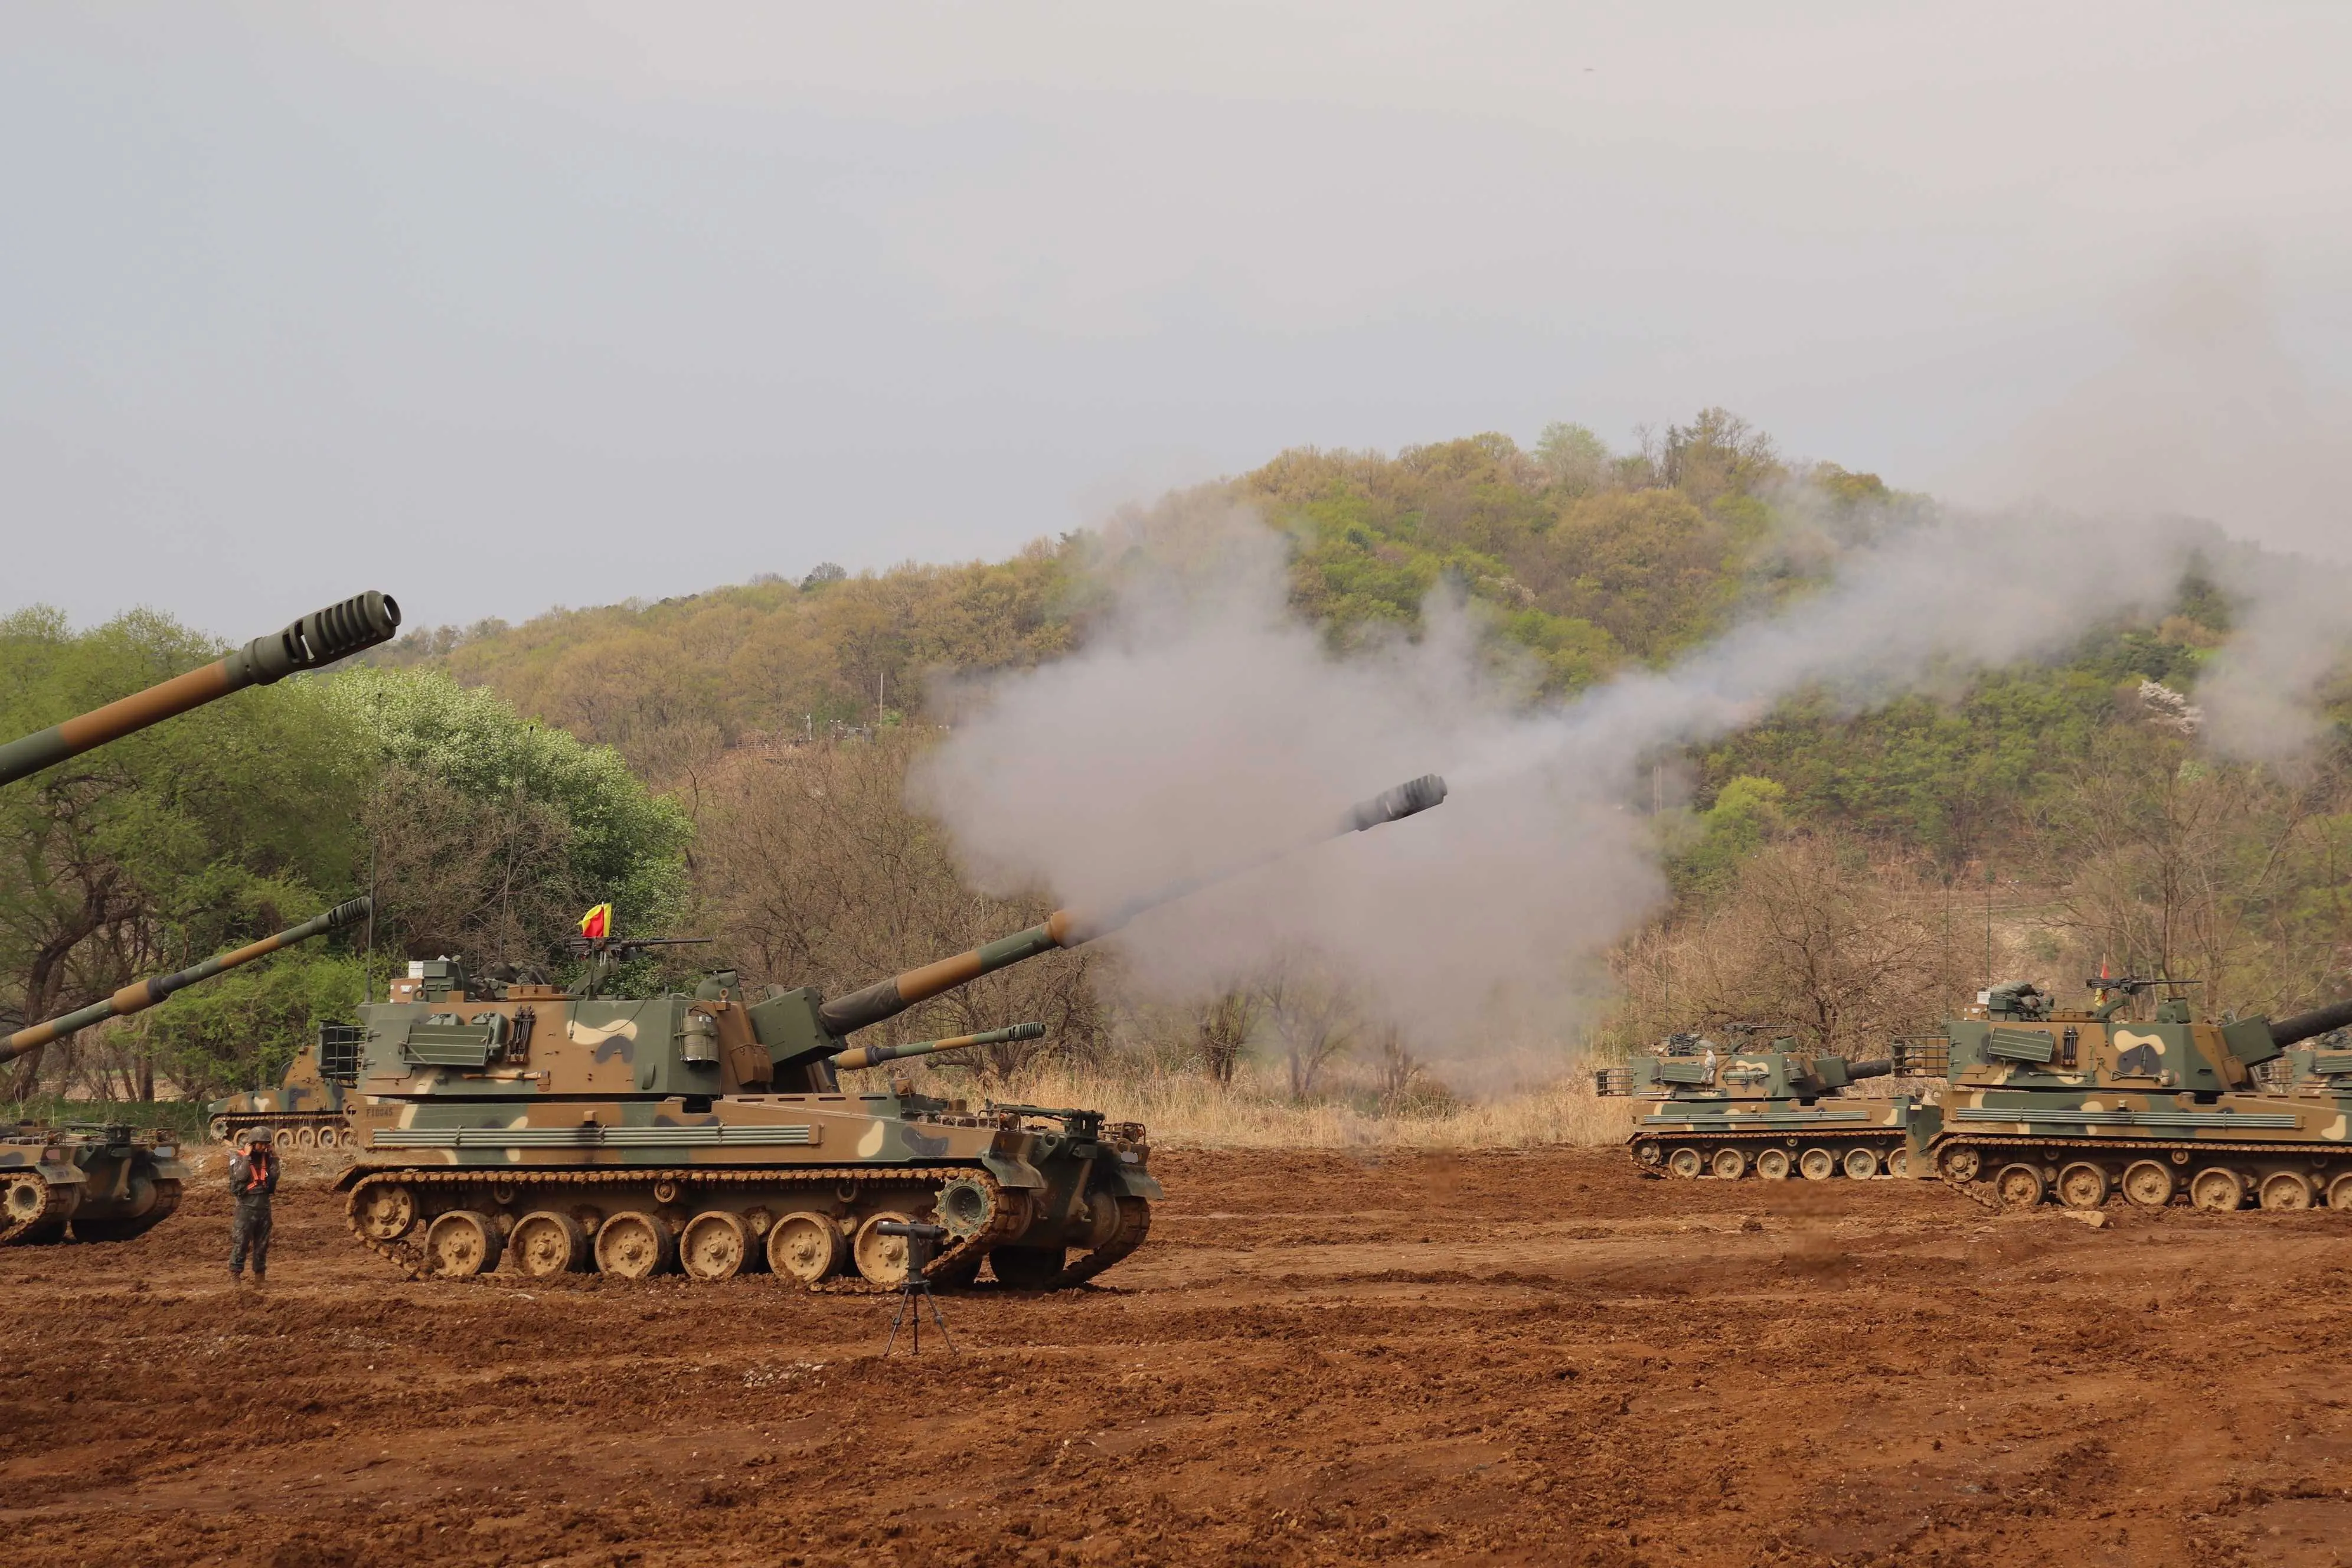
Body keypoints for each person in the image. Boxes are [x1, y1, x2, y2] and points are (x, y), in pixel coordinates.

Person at [227, 1128, 279, 1283]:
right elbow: (241, 1176)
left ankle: (260, 1278)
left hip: (263, 1207)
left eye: (267, 1144)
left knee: (262, 1246)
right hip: (246, 1208)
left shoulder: (268, 1158)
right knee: (241, 1243)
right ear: (252, 1143)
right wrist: (247, 1157)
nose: (264, 1148)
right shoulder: (238, 1157)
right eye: (261, 1144)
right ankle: (236, 1277)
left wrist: (274, 1157)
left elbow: (275, 1177)